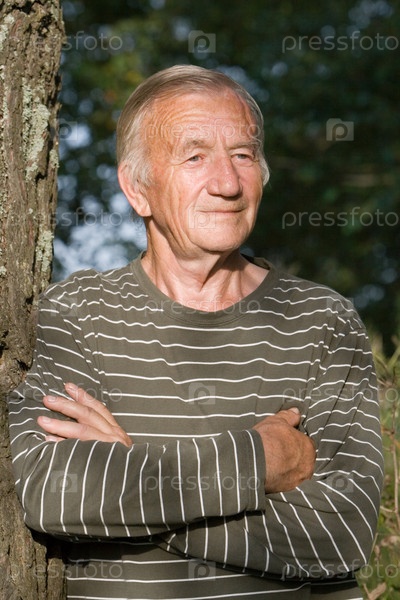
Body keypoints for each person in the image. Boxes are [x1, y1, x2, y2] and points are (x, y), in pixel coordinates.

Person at [8, 65, 383, 599]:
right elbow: (53, 493)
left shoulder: (321, 320)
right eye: (195, 157)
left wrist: (132, 470)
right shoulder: (79, 312)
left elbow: (340, 534)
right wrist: (259, 461)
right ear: (138, 189)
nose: (227, 183)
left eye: (243, 155)